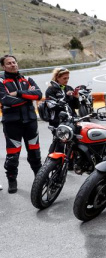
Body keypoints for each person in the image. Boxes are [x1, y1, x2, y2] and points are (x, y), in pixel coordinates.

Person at [0, 55, 43, 194]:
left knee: (35, 153)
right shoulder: (1, 81)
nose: (13, 65)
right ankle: (12, 179)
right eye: (9, 63)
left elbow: (38, 94)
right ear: (3, 66)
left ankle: (40, 178)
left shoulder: (27, 79)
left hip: (30, 121)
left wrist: (18, 93)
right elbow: (6, 100)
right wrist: (27, 96)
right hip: (12, 124)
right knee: (13, 156)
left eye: (14, 62)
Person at [45, 68, 80, 153]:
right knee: (60, 145)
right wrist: (67, 97)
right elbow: (52, 106)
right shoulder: (51, 90)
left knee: (74, 144)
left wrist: (76, 97)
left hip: (71, 120)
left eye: (68, 78)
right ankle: (55, 163)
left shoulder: (69, 88)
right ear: (57, 78)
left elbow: (76, 106)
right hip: (57, 121)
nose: (67, 80)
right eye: (64, 78)